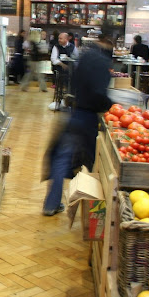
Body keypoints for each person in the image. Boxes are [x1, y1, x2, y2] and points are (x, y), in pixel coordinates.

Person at [42, 37, 113, 216]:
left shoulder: (85, 56)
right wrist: (111, 105)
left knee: (61, 158)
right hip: (88, 118)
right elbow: (99, 94)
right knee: (91, 163)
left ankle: (51, 204)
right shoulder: (103, 62)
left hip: (72, 112)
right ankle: (93, 213)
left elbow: (73, 81)